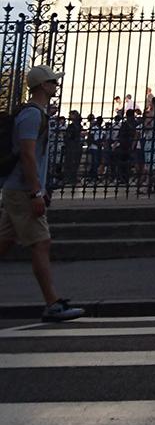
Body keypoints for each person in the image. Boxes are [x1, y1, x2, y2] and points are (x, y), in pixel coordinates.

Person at [0, 67, 84, 321]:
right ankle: (52, 304)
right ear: (42, 86)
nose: (56, 86)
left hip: (18, 189)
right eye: (53, 82)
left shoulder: (36, 114)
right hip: (23, 190)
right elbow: (27, 155)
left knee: (4, 242)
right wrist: (36, 192)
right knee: (41, 242)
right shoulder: (32, 115)